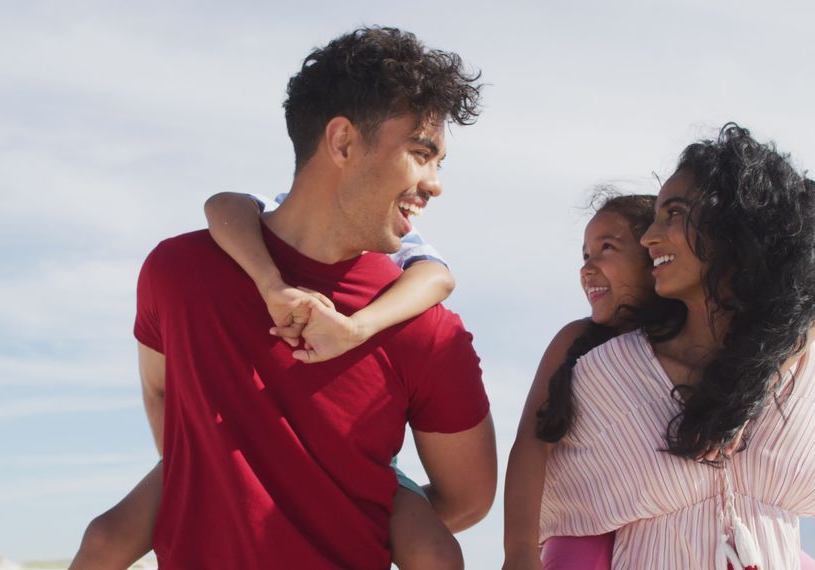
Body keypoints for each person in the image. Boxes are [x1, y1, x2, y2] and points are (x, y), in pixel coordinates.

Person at [71, 26, 496, 569]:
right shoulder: (178, 273)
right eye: (420, 154)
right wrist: (215, 479)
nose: (435, 184)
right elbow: (162, 395)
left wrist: (349, 503)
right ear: (342, 142)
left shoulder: (427, 328)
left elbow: (467, 501)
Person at [505, 124, 815, 569]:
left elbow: (814, 307)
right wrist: (517, 555)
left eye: (673, 214)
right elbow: (533, 447)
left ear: (737, 225)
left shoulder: (814, 368)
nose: (651, 238)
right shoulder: (599, 366)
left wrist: (757, 381)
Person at [70, 188, 467, 569]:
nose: (432, 184)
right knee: (104, 539)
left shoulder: (398, 235)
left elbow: (438, 277)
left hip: (365, 464)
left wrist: (357, 327)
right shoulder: (272, 216)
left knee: (435, 555)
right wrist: (271, 283)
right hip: (213, 443)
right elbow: (221, 204)